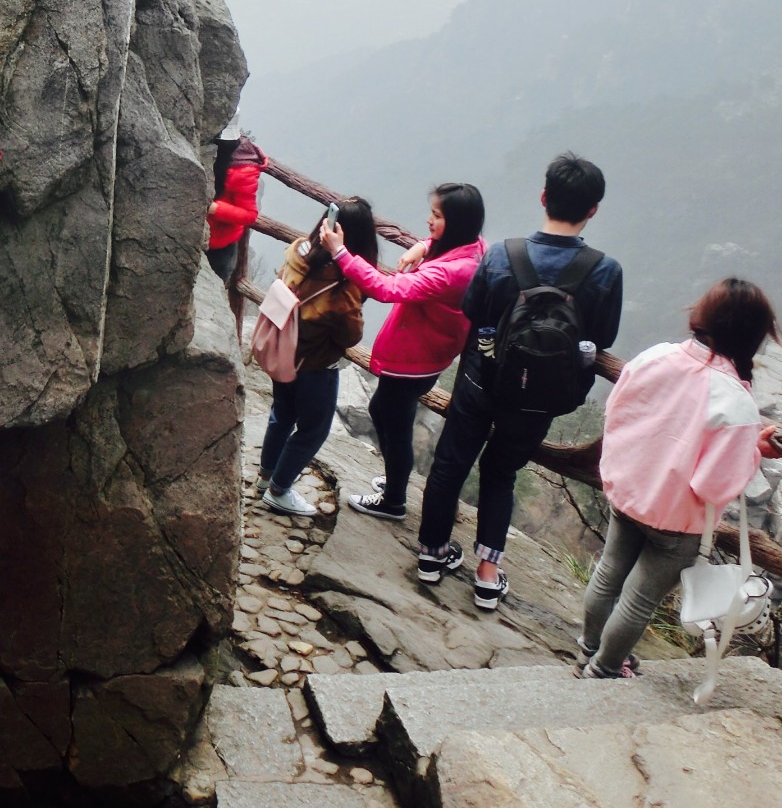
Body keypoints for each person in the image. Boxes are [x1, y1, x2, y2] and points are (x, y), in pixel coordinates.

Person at [415, 153, 624, 612]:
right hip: (540, 399)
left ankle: (430, 555)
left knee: (451, 463)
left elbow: (473, 311)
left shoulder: (502, 255)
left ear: (544, 197)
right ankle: (488, 574)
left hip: (481, 380)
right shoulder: (605, 271)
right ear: (593, 209)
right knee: (501, 473)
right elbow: (602, 337)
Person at [580, 279, 782, 678]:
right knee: (639, 600)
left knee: (608, 573)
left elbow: (617, 411)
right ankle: (604, 669)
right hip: (676, 519)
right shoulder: (735, 400)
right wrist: (754, 449)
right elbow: (715, 484)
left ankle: (588, 649)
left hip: (629, 491)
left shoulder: (656, 357)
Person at [321, 183, 487, 522]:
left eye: (437, 216)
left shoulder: (452, 272)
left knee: (393, 426)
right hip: (423, 354)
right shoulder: (471, 248)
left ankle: (394, 500)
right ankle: (396, 479)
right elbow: (439, 246)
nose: (429, 221)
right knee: (382, 412)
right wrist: (422, 247)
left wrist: (341, 254)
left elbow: (387, 288)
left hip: (415, 361)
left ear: (455, 222)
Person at [256, 197, 380, 516]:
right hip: (316, 367)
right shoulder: (343, 287)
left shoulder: (298, 251)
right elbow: (350, 336)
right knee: (313, 429)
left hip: (284, 351)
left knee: (281, 415)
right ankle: (279, 490)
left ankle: (266, 474)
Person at [206, 134, 267, 283]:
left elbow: (250, 215)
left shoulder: (243, 170)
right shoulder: (213, 144)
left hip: (219, 247)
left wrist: (215, 208)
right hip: (203, 235)